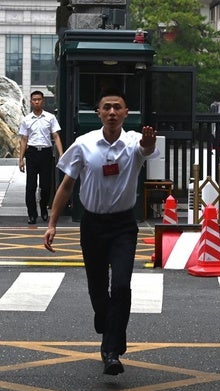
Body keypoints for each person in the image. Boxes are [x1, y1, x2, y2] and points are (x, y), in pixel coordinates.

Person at [43, 88, 159, 376]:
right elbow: (67, 185)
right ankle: (105, 318)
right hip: (92, 225)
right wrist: (52, 223)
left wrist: (148, 143)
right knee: (97, 287)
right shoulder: (84, 144)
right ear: (98, 113)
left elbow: (145, 150)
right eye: (106, 107)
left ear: (125, 112)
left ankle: (111, 350)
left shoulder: (133, 143)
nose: (111, 112)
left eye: (117, 107)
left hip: (123, 226)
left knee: (120, 285)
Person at [19, 90, 64, 225]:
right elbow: (23, 139)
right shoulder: (26, 120)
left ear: (43, 101)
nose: (37, 102)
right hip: (32, 153)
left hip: (46, 153)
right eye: (34, 99)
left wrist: (61, 154)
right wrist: (21, 159)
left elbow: (56, 136)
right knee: (30, 186)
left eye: (39, 99)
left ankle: (43, 208)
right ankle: (32, 214)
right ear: (31, 101)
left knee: (45, 186)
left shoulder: (50, 118)